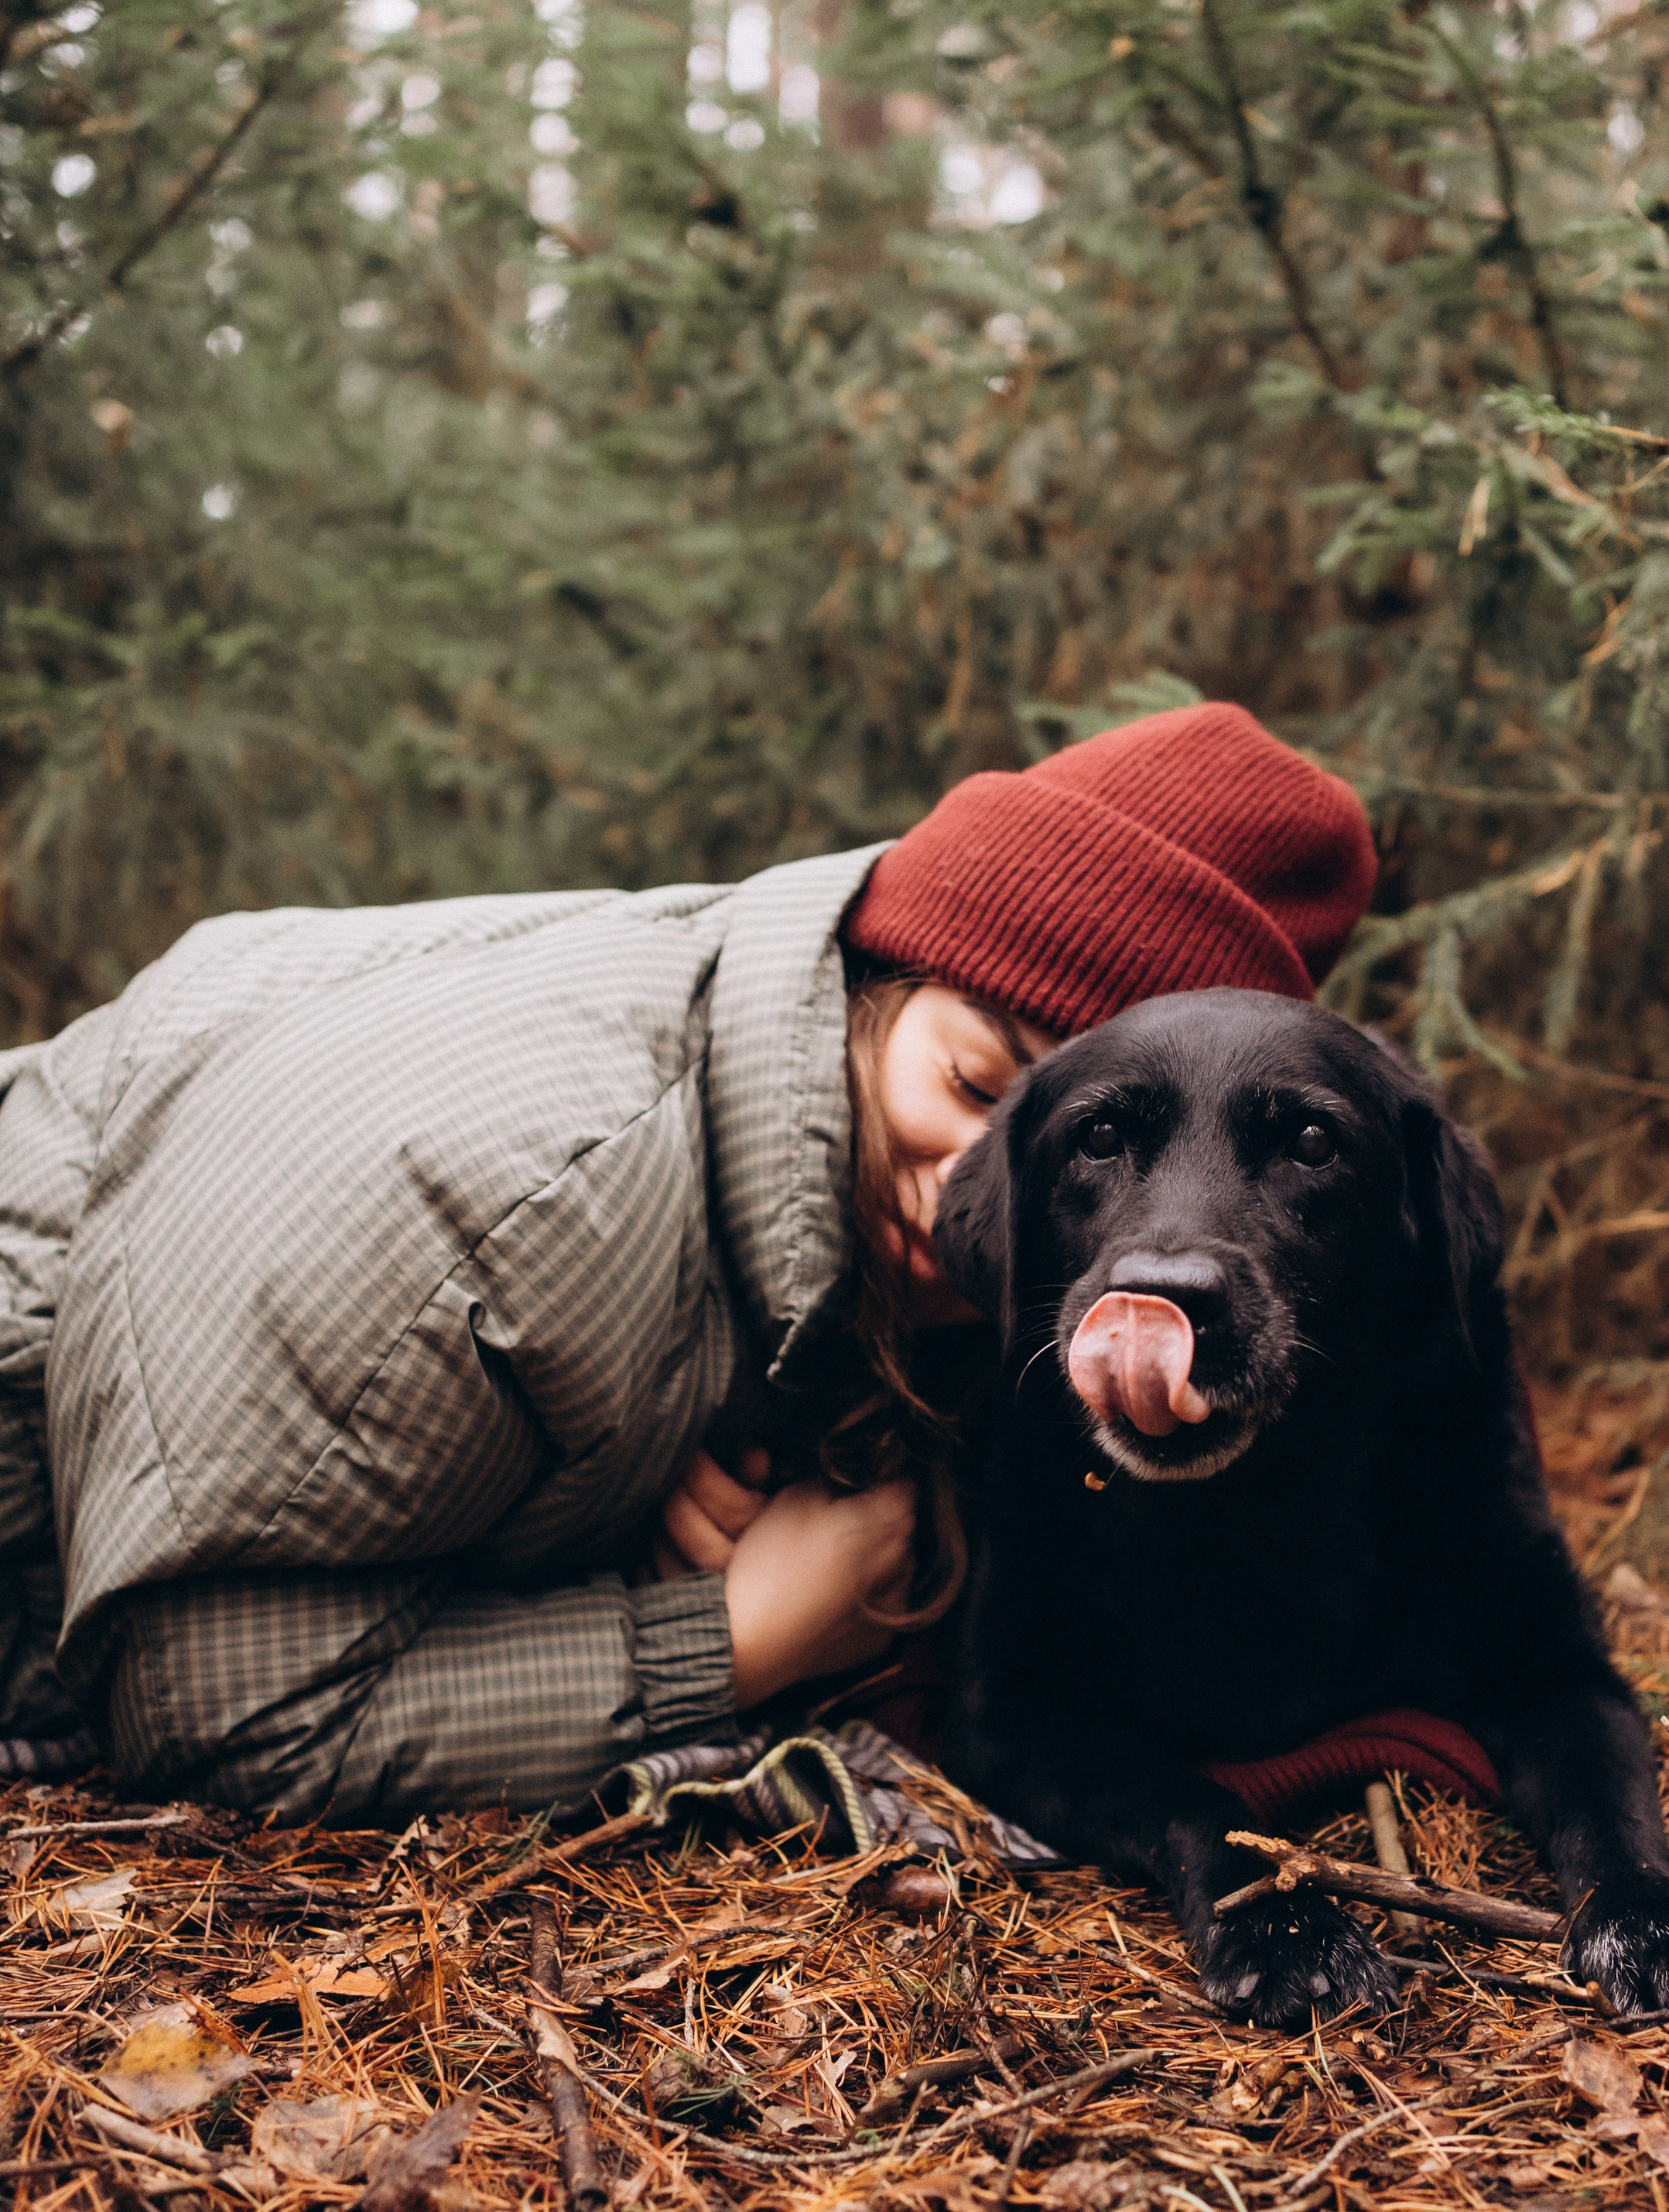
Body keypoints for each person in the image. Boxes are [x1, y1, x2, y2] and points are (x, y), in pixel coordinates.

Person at [0, 704, 1375, 1822]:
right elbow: (205, 1705)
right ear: (882, 980)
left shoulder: (776, 1066)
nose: (978, 1200)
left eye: (1067, 1158)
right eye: (974, 1087)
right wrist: (738, 1634)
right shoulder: (517, 1214)